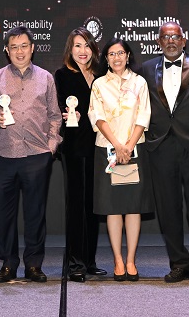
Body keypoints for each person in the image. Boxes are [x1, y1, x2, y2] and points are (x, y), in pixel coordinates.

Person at [136, 21, 189, 284]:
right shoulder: (146, 69)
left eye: (175, 37)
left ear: (184, 40)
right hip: (160, 148)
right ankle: (178, 263)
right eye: (165, 37)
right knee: (168, 209)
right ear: (158, 41)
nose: (170, 41)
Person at [0, 25, 62, 283]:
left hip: (37, 155)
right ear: (6, 50)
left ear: (32, 48)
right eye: (14, 46)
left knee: (35, 214)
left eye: (24, 46)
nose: (19, 51)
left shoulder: (46, 78)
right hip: (5, 155)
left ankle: (34, 265)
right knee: (5, 214)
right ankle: (8, 263)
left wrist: (52, 144)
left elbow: (54, 115)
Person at [89, 38, 153, 282]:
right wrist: (117, 145)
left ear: (128, 56)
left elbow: (144, 115)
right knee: (112, 209)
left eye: (121, 53)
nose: (117, 58)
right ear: (106, 58)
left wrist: (128, 145)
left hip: (135, 150)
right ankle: (117, 259)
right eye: (112, 54)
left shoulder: (140, 83)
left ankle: (131, 260)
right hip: (107, 151)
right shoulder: (98, 84)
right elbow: (97, 116)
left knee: (133, 208)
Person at [54, 28, 108, 282]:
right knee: (76, 204)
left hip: (98, 146)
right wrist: (66, 116)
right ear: (70, 49)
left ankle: (90, 260)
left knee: (93, 205)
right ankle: (74, 263)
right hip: (74, 146)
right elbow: (57, 111)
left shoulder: (102, 75)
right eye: (77, 46)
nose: (82, 51)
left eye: (87, 45)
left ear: (94, 49)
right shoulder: (62, 75)